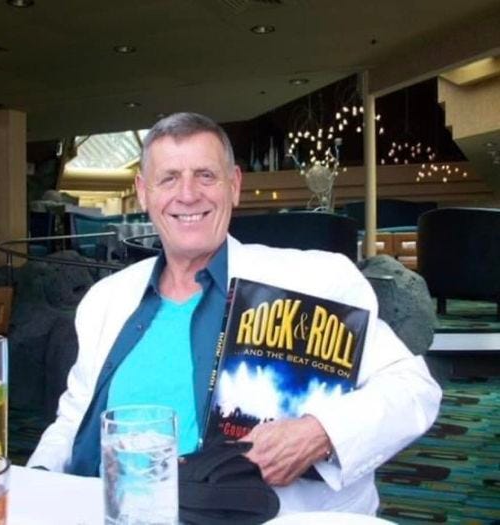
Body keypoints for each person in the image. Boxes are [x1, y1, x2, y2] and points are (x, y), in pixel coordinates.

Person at [28, 112, 441, 515]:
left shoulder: (314, 279)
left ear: (234, 185)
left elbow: (413, 388)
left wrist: (320, 431)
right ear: (143, 192)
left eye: (205, 176)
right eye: (169, 178)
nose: (187, 194)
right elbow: (74, 416)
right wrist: (37, 481)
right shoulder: (106, 299)